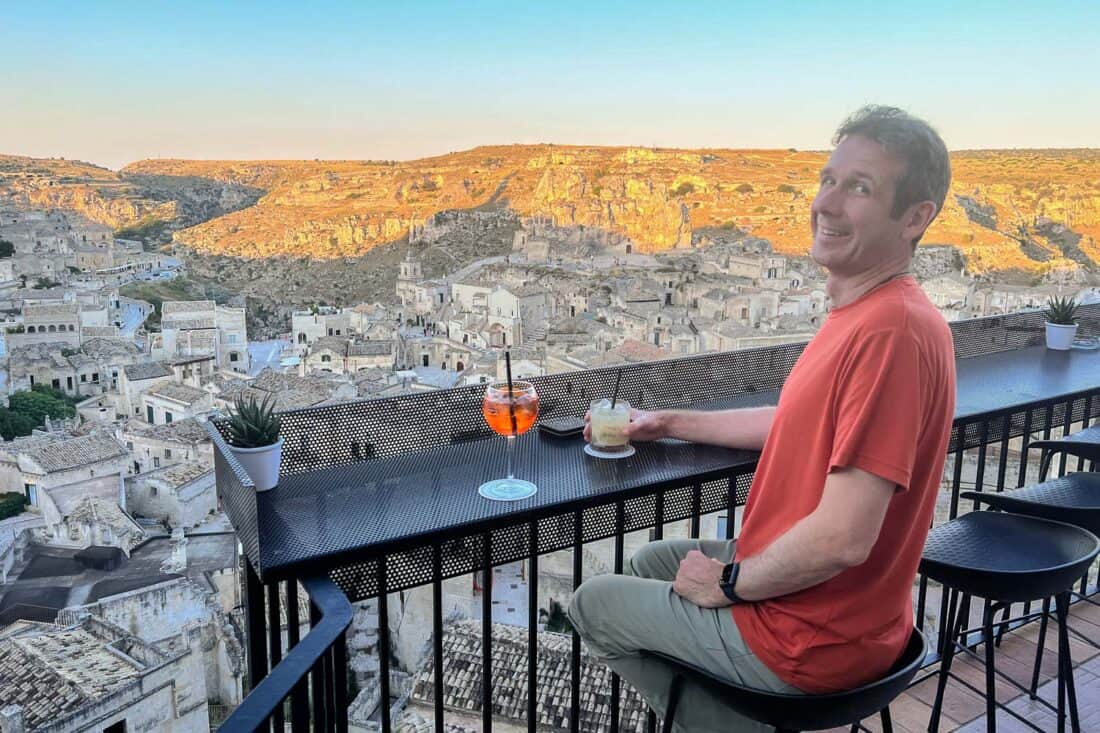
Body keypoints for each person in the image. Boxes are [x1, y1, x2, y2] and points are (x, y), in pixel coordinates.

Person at [568, 105, 957, 732]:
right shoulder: (871, 315)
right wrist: (666, 421)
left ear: (915, 218)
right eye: (828, 180)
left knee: (593, 605)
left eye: (860, 188)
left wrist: (728, 584)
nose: (826, 204)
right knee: (647, 565)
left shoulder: (891, 332)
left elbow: (842, 538)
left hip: (812, 638)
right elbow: (797, 425)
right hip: (850, 614)